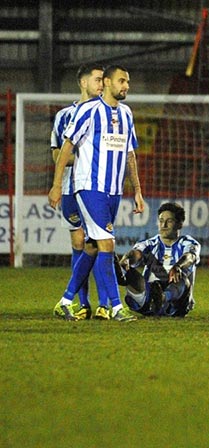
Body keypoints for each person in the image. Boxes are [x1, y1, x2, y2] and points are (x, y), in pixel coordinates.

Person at [48, 64, 145, 322]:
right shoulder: (88, 111)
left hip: (113, 191)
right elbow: (67, 147)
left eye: (128, 81)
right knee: (107, 243)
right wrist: (57, 185)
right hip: (89, 187)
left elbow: (130, 154)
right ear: (108, 83)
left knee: (91, 247)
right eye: (122, 81)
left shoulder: (126, 114)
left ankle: (65, 300)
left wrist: (137, 190)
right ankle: (115, 307)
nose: (126, 86)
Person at [50, 63, 107, 320]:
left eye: (104, 80)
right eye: (97, 79)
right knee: (79, 243)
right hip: (72, 187)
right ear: (83, 83)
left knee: (99, 241)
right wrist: (87, 157)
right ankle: (83, 304)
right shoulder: (64, 115)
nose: (102, 84)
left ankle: (105, 304)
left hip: (98, 188)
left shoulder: (109, 113)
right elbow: (56, 154)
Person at [117, 202, 200, 317]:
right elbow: (137, 253)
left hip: (175, 306)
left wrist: (177, 266)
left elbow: (190, 256)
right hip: (148, 299)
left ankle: (162, 297)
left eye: (169, 221)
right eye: (161, 221)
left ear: (179, 224)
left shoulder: (187, 242)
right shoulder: (150, 243)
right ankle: (121, 275)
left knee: (181, 279)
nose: (164, 225)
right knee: (131, 273)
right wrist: (127, 259)